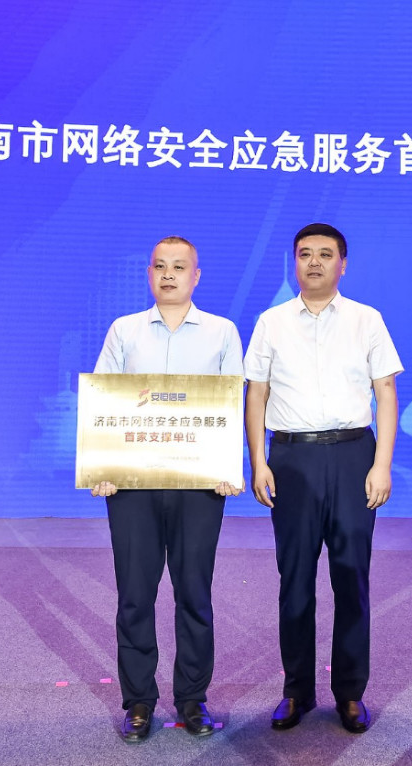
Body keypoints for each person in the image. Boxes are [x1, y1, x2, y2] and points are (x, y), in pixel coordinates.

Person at [243, 223, 403, 734]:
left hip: (355, 455)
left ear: (342, 264)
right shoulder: (271, 322)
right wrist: (258, 461)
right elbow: (256, 394)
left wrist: (381, 464)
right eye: (305, 254)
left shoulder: (366, 319)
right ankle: (296, 691)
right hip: (292, 458)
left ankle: (350, 693)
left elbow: (385, 392)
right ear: (294, 262)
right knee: (295, 581)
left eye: (325, 254)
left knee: (351, 577)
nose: (314, 262)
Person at [90, 236, 243, 743]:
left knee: (194, 594)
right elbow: (105, 399)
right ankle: (138, 701)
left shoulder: (221, 331)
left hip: (199, 484)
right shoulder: (125, 330)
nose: (169, 274)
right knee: (135, 596)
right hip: (133, 484)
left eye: (180, 267)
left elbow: (231, 402)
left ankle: (193, 699)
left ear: (196, 276)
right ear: (149, 274)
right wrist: (103, 466)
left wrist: (229, 465)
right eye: (160, 266)